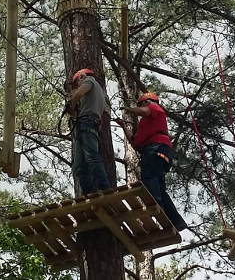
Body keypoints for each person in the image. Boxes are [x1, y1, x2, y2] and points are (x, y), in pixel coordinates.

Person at [119, 92, 188, 231]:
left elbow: (145, 110)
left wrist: (128, 109)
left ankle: (157, 207)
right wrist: (123, 125)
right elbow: (134, 142)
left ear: (146, 102)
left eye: (142, 104)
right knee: (160, 188)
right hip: (158, 151)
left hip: (155, 148)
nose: (142, 107)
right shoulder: (147, 124)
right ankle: (177, 221)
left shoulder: (155, 107)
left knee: (149, 180)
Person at [68, 68, 112, 195]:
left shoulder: (89, 80)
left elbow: (78, 94)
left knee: (91, 157)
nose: (78, 85)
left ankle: (105, 189)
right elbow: (105, 111)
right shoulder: (102, 94)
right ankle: (89, 193)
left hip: (87, 123)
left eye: (77, 82)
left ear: (81, 76)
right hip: (87, 124)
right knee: (79, 166)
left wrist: (72, 102)